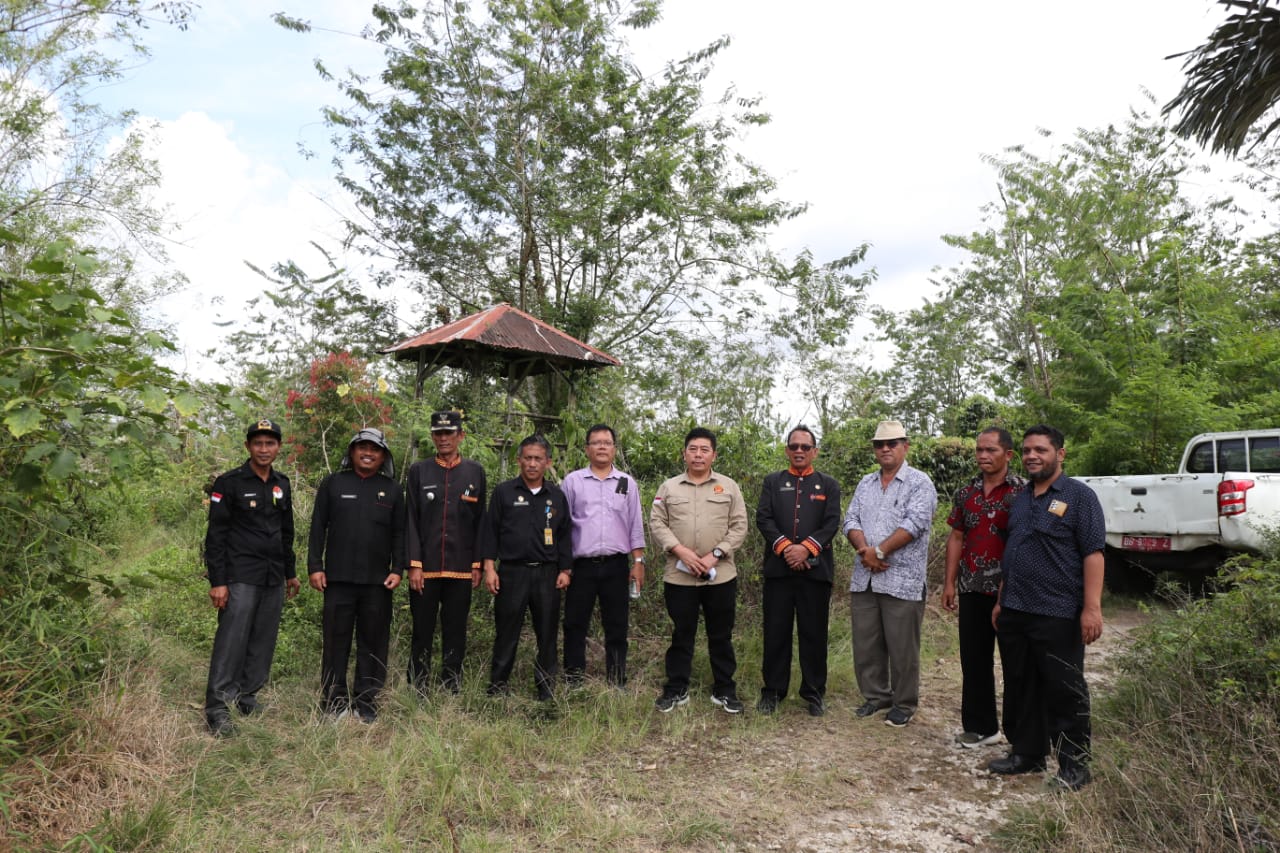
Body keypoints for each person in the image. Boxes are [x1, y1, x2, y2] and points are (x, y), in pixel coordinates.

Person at [988, 425, 1105, 791]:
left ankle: (1074, 766)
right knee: (1021, 684)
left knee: (1064, 689)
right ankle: (1028, 753)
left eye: (1040, 449)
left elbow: (1093, 553)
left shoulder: (1080, 497)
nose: (1032, 456)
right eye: (1026, 450)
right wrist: (1001, 599)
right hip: (1015, 609)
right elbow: (1014, 551)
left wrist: (1092, 608)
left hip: (1057, 611)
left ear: (1060, 454)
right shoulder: (1020, 498)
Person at [202, 418, 300, 736]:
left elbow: (287, 533)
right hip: (240, 574)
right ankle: (218, 707)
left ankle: (247, 696)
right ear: (247, 447)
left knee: (263, 638)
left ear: (278, 447)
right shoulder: (229, 483)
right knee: (232, 639)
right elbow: (215, 537)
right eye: (257, 443)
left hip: (272, 575)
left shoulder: (281, 484)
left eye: (270, 443)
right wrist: (218, 581)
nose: (263, 448)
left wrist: (291, 572)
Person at [842, 419, 938, 728]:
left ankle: (904, 702)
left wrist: (879, 552)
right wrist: (864, 552)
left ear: (905, 446)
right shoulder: (866, 483)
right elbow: (850, 519)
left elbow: (915, 523)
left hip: (902, 580)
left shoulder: (920, 482)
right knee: (866, 643)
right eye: (880, 444)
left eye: (892, 443)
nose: (885, 448)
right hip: (865, 576)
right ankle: (876, 696)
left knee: (902, 647)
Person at [307, 428, 405, 723]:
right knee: (336, 642)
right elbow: (316, 528)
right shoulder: (333, 484)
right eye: (362, 447)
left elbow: (400, 534)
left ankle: (366, 702)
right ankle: (334, 702)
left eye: (374, 450)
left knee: (372, 642)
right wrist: (315, 566)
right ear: (351, 452)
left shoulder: (392, 489)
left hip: (378, 583)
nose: (368, 453)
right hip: (337, 580)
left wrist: (397, 569)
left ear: (383, 456)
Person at [649, 427, 749, 714]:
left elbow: (739, 525)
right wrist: (680, 550)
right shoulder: (669, 487)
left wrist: (715, 555)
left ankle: (724, 690)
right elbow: (657, 523)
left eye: (704, 449)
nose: (698, 454)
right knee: (682, 634)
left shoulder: (729, 487)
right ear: (684, 453)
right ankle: (676, 689)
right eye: (693, 449)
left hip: (721, 575)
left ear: (714, 455)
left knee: (721, 635)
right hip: (679, 576)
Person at [941, 426, 1025, 747]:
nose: (983, 456)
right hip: (972, 587)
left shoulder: (1022, 493)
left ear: (1008, 455)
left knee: (1016, 662)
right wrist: (949, 583)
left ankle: (1019, 733)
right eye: (979, 450)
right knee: (974, 660)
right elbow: (957, 537)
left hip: (1012, 591)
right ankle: (981, 727)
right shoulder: (966, 493)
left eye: (990, 450)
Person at [755, 425, 842, 716]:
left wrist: (805, 548)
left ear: (815, 451)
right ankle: (773, 691)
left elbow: (831, 523)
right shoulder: (773, 481)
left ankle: (814, 692)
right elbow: (764, 519)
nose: (799, 451)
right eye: (794, 446)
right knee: (776, 633)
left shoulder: (828, 485)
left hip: (816, 573)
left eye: (805, 447)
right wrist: (787, 549)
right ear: (786, 450)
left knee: (814, 634)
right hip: (779, 572)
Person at [481, 435, 574, 700]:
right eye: (527, 458)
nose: (532, 464)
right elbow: (491, 531)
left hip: (547, 574)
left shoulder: (556, 496)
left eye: (538, 459)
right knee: (506, 632)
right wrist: (489, 567)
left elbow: (565, 535)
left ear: (548, 462)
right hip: (512, 573)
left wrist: (565, 570)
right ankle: (497, 688)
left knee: (546, 633)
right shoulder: (504, 492)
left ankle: (545, 690)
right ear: (519, 460)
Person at [405, 410, 488, 693]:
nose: (443, 439)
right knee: (422, 631)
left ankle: (451, 684)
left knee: (456, 631)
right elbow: (411, 520)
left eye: (449, 433)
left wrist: (477, 563)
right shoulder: (419, 471)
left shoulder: (474, 471)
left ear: (460, 436)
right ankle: (418, 685)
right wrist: (414, 563)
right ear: (432, 436)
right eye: (438, 434)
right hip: (425, 568)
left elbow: (480, 521)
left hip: (461, 567)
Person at [561, 424, 646, 687]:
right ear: (587, 449)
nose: (601, 447)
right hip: (581, 566)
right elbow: (563, 527)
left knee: (617, 625)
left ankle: (617, 679)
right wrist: (564, 567)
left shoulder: (626, 483)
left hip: (616, 565)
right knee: (575, 624)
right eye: (595, 442)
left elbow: (635, 524)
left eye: (606, 443)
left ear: (614, 449)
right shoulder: (572, 481)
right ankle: (574, 679)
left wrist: (638, 562)